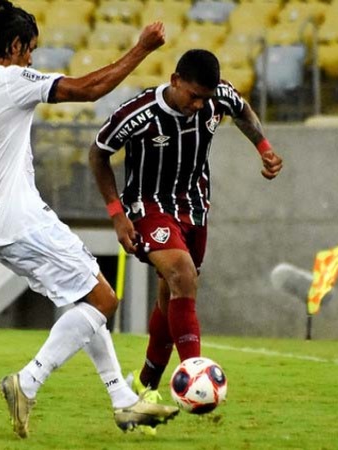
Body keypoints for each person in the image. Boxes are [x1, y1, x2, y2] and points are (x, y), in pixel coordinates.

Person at [0, 0, 177, 439]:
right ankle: (27, 381)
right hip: (22, 218)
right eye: (30, 48)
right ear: (14, 46)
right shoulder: (14, 80)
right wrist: (141, 49)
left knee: (85, 301)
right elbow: (89, 88)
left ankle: (123, 402)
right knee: (101, 300)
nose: (31, 58)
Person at [89, 49, 283, 431]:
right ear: (175, 80)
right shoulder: (139, 113)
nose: (199, 105)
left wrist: (264, 148)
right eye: (193, 96)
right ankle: (196, 374)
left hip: (194, 209)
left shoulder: (217, 97)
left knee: (172, 293)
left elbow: (242, 110)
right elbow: (98, 153)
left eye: (205, 99)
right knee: (182, 274)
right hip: (147, 206)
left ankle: (144, 387)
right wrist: (117, 214)